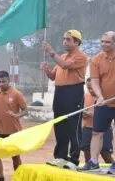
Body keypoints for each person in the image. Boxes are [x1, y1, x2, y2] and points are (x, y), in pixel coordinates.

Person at [79, 31, 115, 174]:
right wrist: (99, 96)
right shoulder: (96, 59)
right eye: (102, 41)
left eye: (107, 42)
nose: (103, 44)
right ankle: (93, 161)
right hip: (103, 103)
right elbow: (94, 80)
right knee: (97, 132)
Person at [42, 29, 88, 169]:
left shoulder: (81, 57)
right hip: (60, 92)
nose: (65, 42)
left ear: (77, 42)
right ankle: (60, 156)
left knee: (73, 126)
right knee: (59, 124)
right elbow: (53, 76)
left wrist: (50, 51)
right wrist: (46, 70)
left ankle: (74, 159)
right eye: (64, 39)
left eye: (68, 39)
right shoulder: (63, 56)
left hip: (73, 91)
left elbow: (65, 66)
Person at [0, 70, 28, 181]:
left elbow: (25, 110)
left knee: (15, 157)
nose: (1, 84)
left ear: (9, 80)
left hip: (13, 131)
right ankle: (1, 179)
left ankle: (17, 178)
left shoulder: (17, 94)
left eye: (3, 81)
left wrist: (17, 115)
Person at [79, 78, 115, 168]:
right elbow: (81, 110)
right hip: (87, 127)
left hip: (104, 129)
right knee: (87, 152)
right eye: (88, 88)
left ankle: (114, 169)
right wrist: (83, 114)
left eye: (92, 88)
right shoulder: (85, 96)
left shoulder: (105, 97)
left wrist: (93, 115)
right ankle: (89, 169)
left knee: (105, 153)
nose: (90, 90)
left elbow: (109, 113)